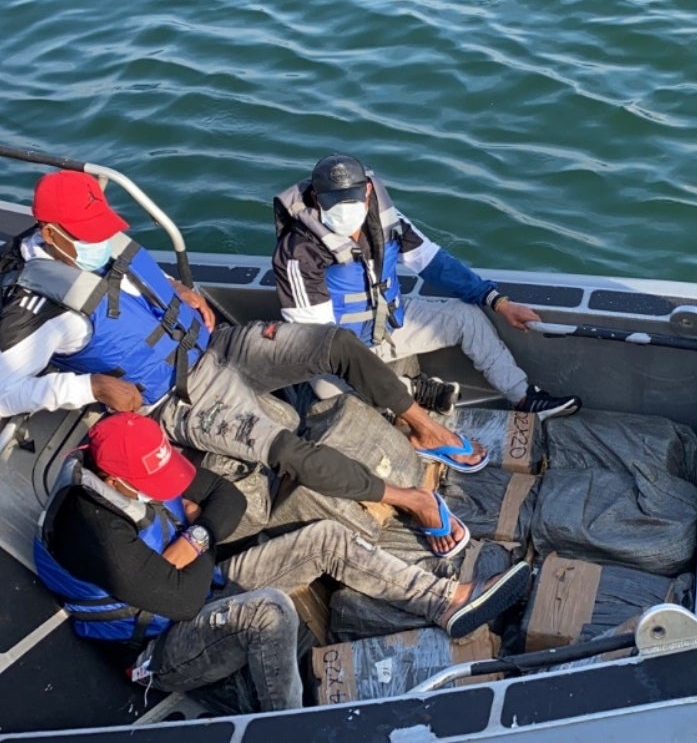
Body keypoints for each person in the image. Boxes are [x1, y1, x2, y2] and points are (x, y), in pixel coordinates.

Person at [0, 169, 489, 555]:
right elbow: (4, 393)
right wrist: (89, 388)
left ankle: (427, 429)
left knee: (335, 344)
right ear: (51, 234)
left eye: (103, 228)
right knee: (290, 450)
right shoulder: (36, 310)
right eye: (89, 234)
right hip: (179, 398)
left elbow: (131, 281)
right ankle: (413, 499)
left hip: (217, 344)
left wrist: (179, 288)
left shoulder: (95, 245)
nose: (101, 240)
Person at [34, 412, 531, 714]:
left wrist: (195, 539)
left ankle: (445, 601)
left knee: (326, 537)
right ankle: (288, 725)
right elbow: (182, 602)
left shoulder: (134, 465)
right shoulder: (91, 532)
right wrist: (199, 532)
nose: (169, 488)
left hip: (200, 582)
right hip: (158, 647)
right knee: (268, 612)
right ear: (114, 483)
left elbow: (225, 497)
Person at [272, 154, 582, 422]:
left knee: (465, 316)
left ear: (367, 191)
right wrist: (376, 377)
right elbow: (321, 343)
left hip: (390, 327)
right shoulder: (298, 252)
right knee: (328, 389)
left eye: (351, 199)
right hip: (340, 351)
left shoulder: (386, 219)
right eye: (332, 201)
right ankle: (415, 391)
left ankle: (524, 398)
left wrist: (499, 302)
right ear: (315, 198)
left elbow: (433, 262)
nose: (343, 208)